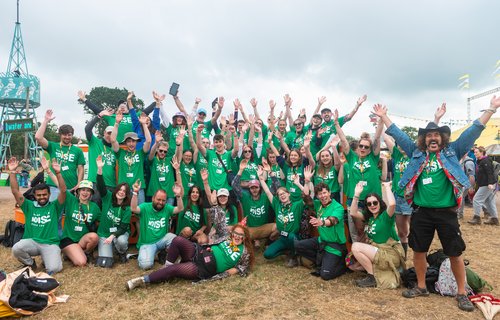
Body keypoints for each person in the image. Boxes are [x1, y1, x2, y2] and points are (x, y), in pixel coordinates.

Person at [375, 95, 500, 311]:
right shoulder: (417, 153)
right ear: (424, 140)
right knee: (419, 250)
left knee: (455, 253)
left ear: (442, 138)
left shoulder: (453, 152)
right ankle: (421, 286)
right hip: (421, 212)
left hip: (446, 213)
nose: (433, 138)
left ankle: (461, 293)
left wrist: (490, 108)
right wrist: (384, 116)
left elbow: (473, 130)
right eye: (429, 135)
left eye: (436, 135)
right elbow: (399, 134)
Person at [125, 221, 254, 290]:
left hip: (205, 267)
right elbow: (220, 223)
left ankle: (143, 280)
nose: (237, 236)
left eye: (241, 235)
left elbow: (240, 268)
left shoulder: (244, 252)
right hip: (200, 252)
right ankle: (166, 268)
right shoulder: (226, 238)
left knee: (175, 270)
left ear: (245, 238)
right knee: (177, 240)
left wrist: (220, 275)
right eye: (235, 233)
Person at [8, 156, 66, 274]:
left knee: (54, 269)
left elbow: (63, 190)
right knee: (16, 249)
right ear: (35, 196)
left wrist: (58, 173)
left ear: (49, 194)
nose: (42, 197)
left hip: (50, 243)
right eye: (39, 195)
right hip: (32, 242)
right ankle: (30, 263)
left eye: (44, 195)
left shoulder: (55, 206)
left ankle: (48, 258)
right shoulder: (28, 206)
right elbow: (15, 191)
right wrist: (13, 172)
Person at [336, 107, 383, 243]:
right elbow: (344, 141)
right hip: (354, 200)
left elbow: (378, 137)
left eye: (366, 147)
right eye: (361, 146)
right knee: (355, 232)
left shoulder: (373, 158)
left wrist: (381, 120)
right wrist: (337, 124)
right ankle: (357, 258)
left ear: (370, 149)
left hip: (372, 201)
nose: (363, 148)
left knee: (371, 231)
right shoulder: (351, 158)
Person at [349, 181, 404, 288]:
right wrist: (356, 195)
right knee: (352, 266)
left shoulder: (386, 217)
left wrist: (387, 187)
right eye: (369, 204)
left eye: (375, 202)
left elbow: (392, 204)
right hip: (378, 251)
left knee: (355, 246)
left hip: (389, 253)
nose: (372, 205)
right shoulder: (369, 218)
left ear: (380, 202)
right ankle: (380, 271)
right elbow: (353, 213)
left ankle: (372, 277)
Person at [258, 165, 312, 267]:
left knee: (291, 236)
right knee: (267, 254)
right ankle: (286, 252)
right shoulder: (277, 205)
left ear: (288, 194)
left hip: (294, 237)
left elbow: (306, 195)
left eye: (284, 193)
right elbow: (268, 192)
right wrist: (261, 179)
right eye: (279, 194)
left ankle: (294, 255)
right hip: (282, 237)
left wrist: (307, 181)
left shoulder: (297, 205)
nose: (282, 195)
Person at [294, 183, 347, 280]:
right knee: (297, 245)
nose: (323, 196)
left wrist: (322, 222)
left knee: (325, 275)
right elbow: (306, 198)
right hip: (321, 241)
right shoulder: (318, 204)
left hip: (334, 245)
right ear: (317, 196)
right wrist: (305, 181)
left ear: (329, 193)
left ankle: (343, 265)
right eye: (320, 194)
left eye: (324, 193)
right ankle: (323, 260)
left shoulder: (338, 207)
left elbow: (333, 220)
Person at [130, 179, 184, 270]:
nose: (161, 202)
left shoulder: (166, 208)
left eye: (163, 200)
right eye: (158, 199)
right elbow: (133, 208)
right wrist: (135, 193)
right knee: (145, 265)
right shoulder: (145, 207)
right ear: (153, 198)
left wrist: (178, 196)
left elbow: (180, 209)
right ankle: (150, 254)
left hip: (162, 240)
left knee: (175, 239)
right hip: (147, 243)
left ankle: (163, 252)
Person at [35, 109, 85, 197]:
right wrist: (46, 121)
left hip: (72, 188)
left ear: (72, 135)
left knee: (70, 211)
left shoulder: (77, 150)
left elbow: (81, 168)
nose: (67, 137)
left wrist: (79, 184)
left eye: (69, 135)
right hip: (54, 187)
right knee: (56, 211)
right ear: (60, 135)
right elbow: (38, 137)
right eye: (64, 134)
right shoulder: (53, 146)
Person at [96, 156, 132, 264]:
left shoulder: (127, 208)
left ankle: (122, 252)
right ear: (116, 190)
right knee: (106, 262)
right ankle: (111, 248)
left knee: (121, 241)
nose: (121, 192)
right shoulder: (108, 197)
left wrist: (112, 236)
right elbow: (101, 186)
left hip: (119, 234)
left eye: (124, 191)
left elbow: (123, 228)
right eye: (120, 189)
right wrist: (100, 169)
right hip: (104, 234)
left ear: (126, 195)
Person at [111, 110, 151, 204]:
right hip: (123, 189)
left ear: (137, 142)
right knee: (123, 212)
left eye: (133, 141)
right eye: (129, 141)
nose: (131, 143)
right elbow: (113, 140)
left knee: (140, 213)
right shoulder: (120, 153)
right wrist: (117, 123)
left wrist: (144, 124)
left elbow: (148, 141)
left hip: (138, 188)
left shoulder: (141, 153)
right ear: (125, 143)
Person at [60, 179, 100, 266]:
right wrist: (50, 172)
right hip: (69, 239)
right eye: (83, 190)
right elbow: (62, 188)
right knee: (81, 262)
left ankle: (86, 252)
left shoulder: (94, 207)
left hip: (82, 239)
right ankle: (69, 253)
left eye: (88, 190)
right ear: (78, 191)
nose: (85, 193)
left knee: (94, 237)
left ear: (91, 193)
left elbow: (100, 222)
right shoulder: (71, 201)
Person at [468, 146, 499, 226]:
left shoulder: (485, 161)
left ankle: (477, 218)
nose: (475, 154)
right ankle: (494, 219)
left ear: (481, 152)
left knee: (476, 200)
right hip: (485, 184)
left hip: (487, 184)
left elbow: (490, 172)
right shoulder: (481, 161)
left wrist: (490, 183)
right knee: (489, 201)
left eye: (476, 152)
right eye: (474, 152)